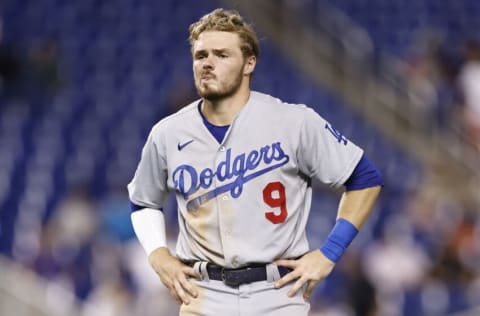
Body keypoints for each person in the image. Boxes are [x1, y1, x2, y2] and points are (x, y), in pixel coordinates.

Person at [128, 8, 383, 316]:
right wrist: (158, 255)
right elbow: (143, 202)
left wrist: (329, 253)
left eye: (222, 55)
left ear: (250, 63)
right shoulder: (168, 133)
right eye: (200, 55)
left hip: (276, 294)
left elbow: (365, 178)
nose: (207, 63)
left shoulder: (293, 122)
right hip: (203, 293)